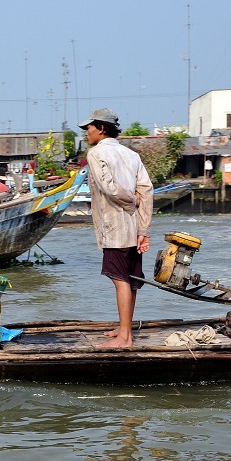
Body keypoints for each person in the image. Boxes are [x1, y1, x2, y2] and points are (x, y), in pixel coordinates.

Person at [80, 108, 153, 348]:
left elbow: (109, 188)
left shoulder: (96, 153)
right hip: (132, 228)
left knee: (120, 279)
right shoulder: (131, 154)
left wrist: (132, 200)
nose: (86, 133)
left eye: (89, 128)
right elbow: (147, 190)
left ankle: (125, 338)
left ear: (101, 128)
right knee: (130, 280)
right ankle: (124, 329)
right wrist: (144, 229)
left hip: (115, 229)